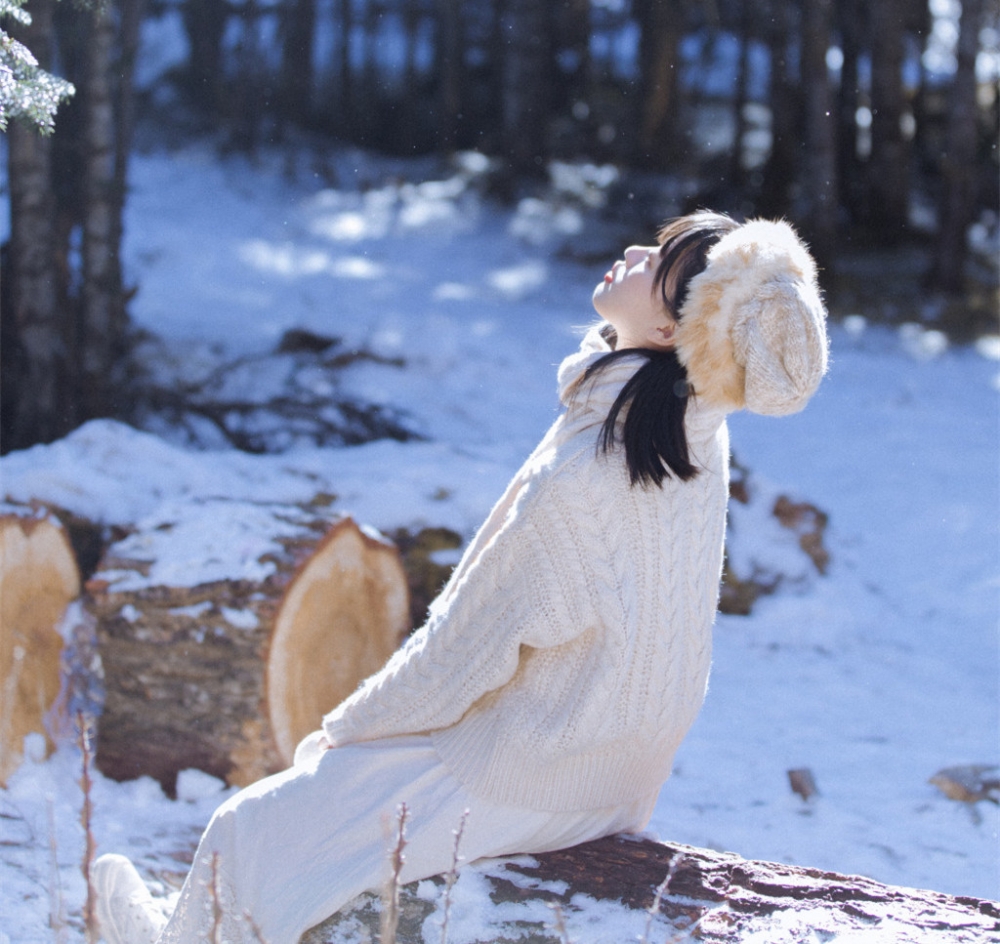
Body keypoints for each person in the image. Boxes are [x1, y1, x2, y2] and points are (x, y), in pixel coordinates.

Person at [93, 211, 828, 944]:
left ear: (672, 333)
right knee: (291, 829)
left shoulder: (591, 473)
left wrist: (347, 736)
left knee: (247, 826)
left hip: (538, 769)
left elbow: (467, 646)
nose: (631, 252)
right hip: (615, 765)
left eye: (655, 265)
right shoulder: (691, 427)